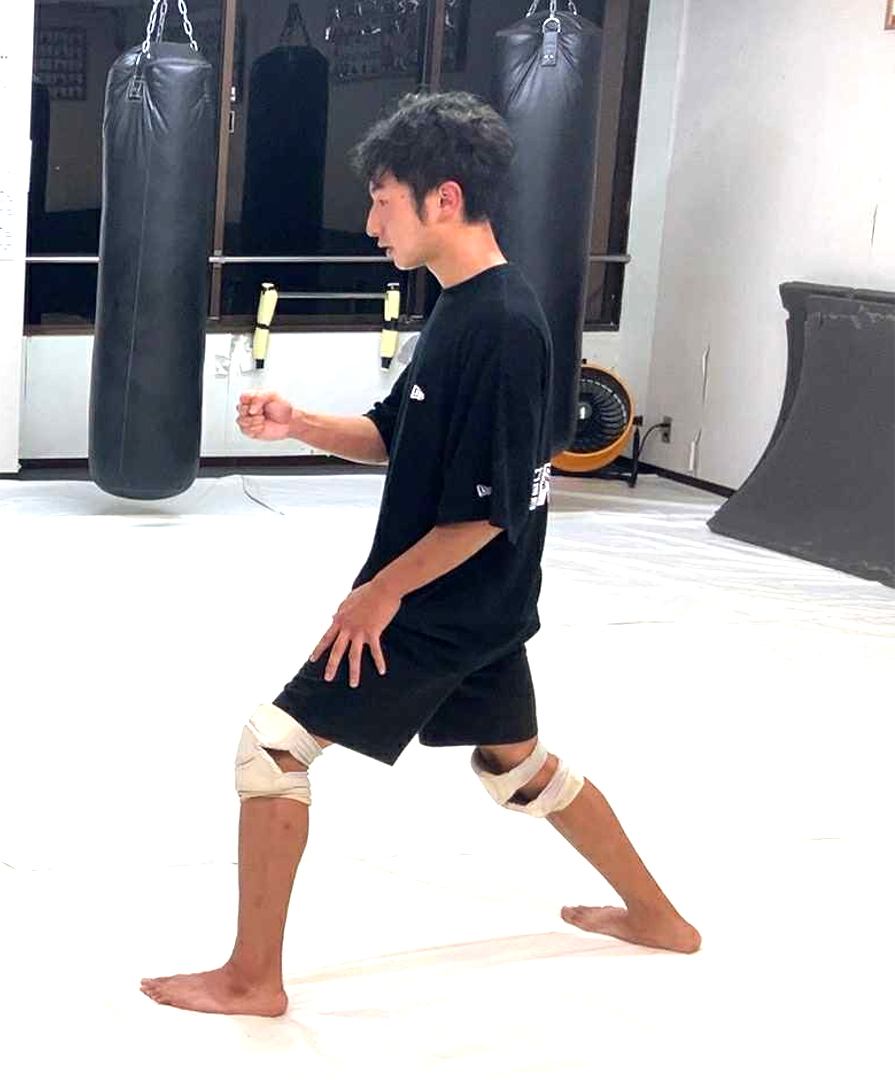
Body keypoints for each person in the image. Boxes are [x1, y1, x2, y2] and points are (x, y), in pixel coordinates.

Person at [140, 91, 700, 1018]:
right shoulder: (460, 309)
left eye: (382, 201)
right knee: (518, 767)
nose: (370, 225)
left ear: (445, 199)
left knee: (272, 748)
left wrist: (378, 596)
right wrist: (298, 423)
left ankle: (251, 979)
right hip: (486, 606)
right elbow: (395, 434)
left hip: (444, 605)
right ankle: (659, 919)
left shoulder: (504, 327)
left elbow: (486, 512)